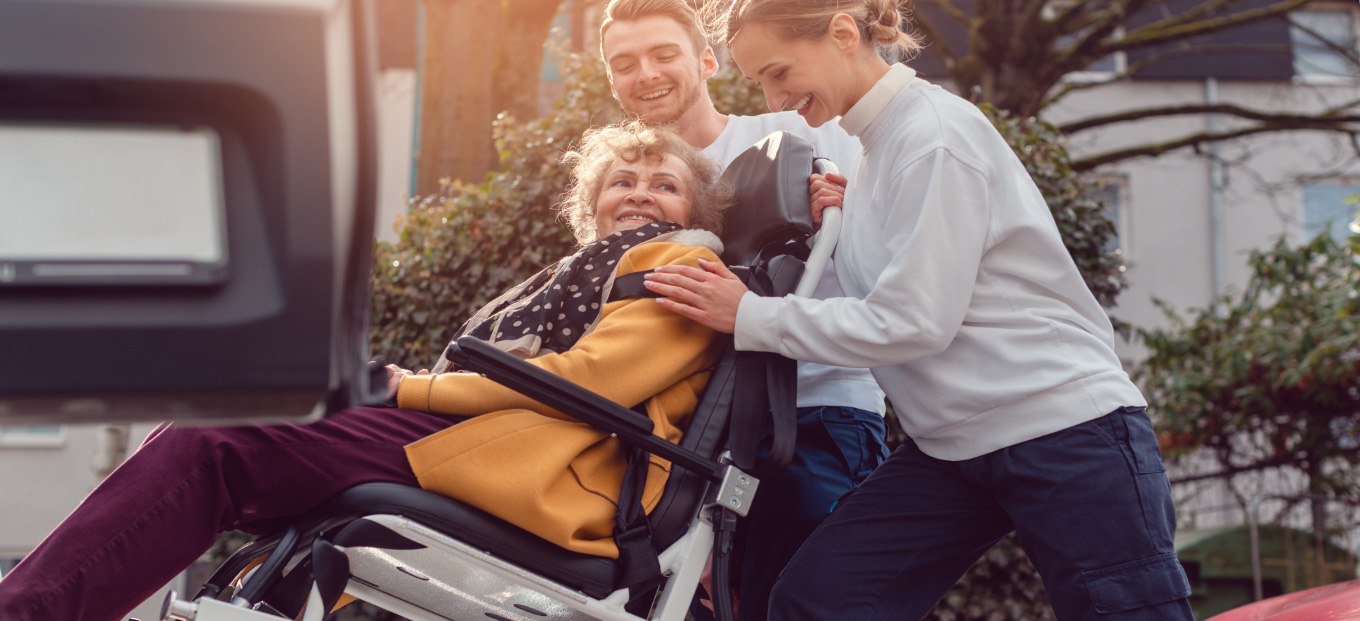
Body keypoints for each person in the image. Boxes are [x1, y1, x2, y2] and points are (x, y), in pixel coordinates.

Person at [0, 121, 735, 621]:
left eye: (665, 184)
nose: (640, 192)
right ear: (591, 208)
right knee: (231, 421)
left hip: (552, 471)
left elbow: (589, 382)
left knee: (224, 438)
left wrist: (407, 386)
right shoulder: (575, 274)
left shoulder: (683, 261)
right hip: (493, 437)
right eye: (623, 180)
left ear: (696, 211)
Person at [641, 1, 1196, 619]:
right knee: (816, 602)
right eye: (761, 82)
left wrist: (749, 315)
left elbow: (914, 321)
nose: (773, 98)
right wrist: (847, 220)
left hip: (1063, 428)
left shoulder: (932, 135)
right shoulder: (877, 151)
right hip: (953, 447)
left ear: (843, 33)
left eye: (778, 72)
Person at [597, 2, 889, 618]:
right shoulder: (635, 187)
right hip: (691, 442)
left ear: (707, 61)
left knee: (795, 600)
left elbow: (899, 245)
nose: (645, 73)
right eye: (625, 63)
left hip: (809, 411)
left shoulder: (803, 134)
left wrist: (849, 209)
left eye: (663, 54)